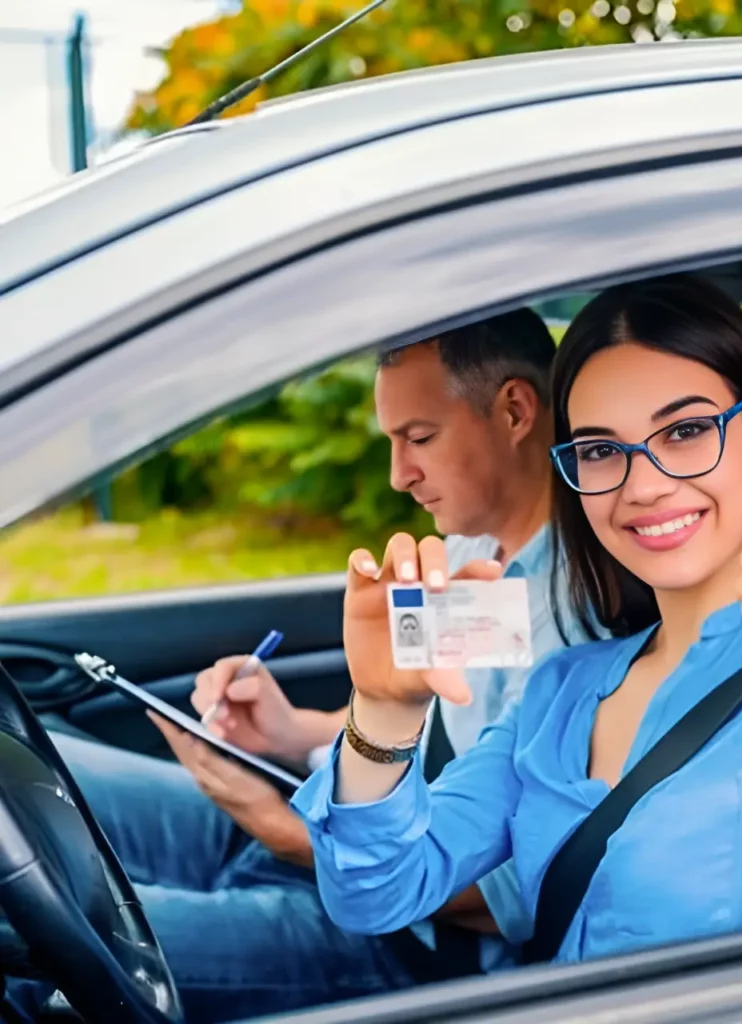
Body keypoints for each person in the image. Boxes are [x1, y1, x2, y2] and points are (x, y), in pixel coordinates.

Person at [292, 275, 742, 963]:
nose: (642, 485)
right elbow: (375, 894)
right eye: (599, 450)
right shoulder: (560, 692)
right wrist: (380, 710)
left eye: (684, 431)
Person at [35, 308, 575, 1022]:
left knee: (40, 946)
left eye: (419, 438)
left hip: (398, 940)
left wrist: (279, 830)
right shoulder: (472, 558)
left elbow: (510, 895)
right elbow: (435, 729)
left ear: (513, 410)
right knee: (42, 779)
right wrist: (289, 734)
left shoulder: (573, 619)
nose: (398, 475)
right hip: (315, 817)